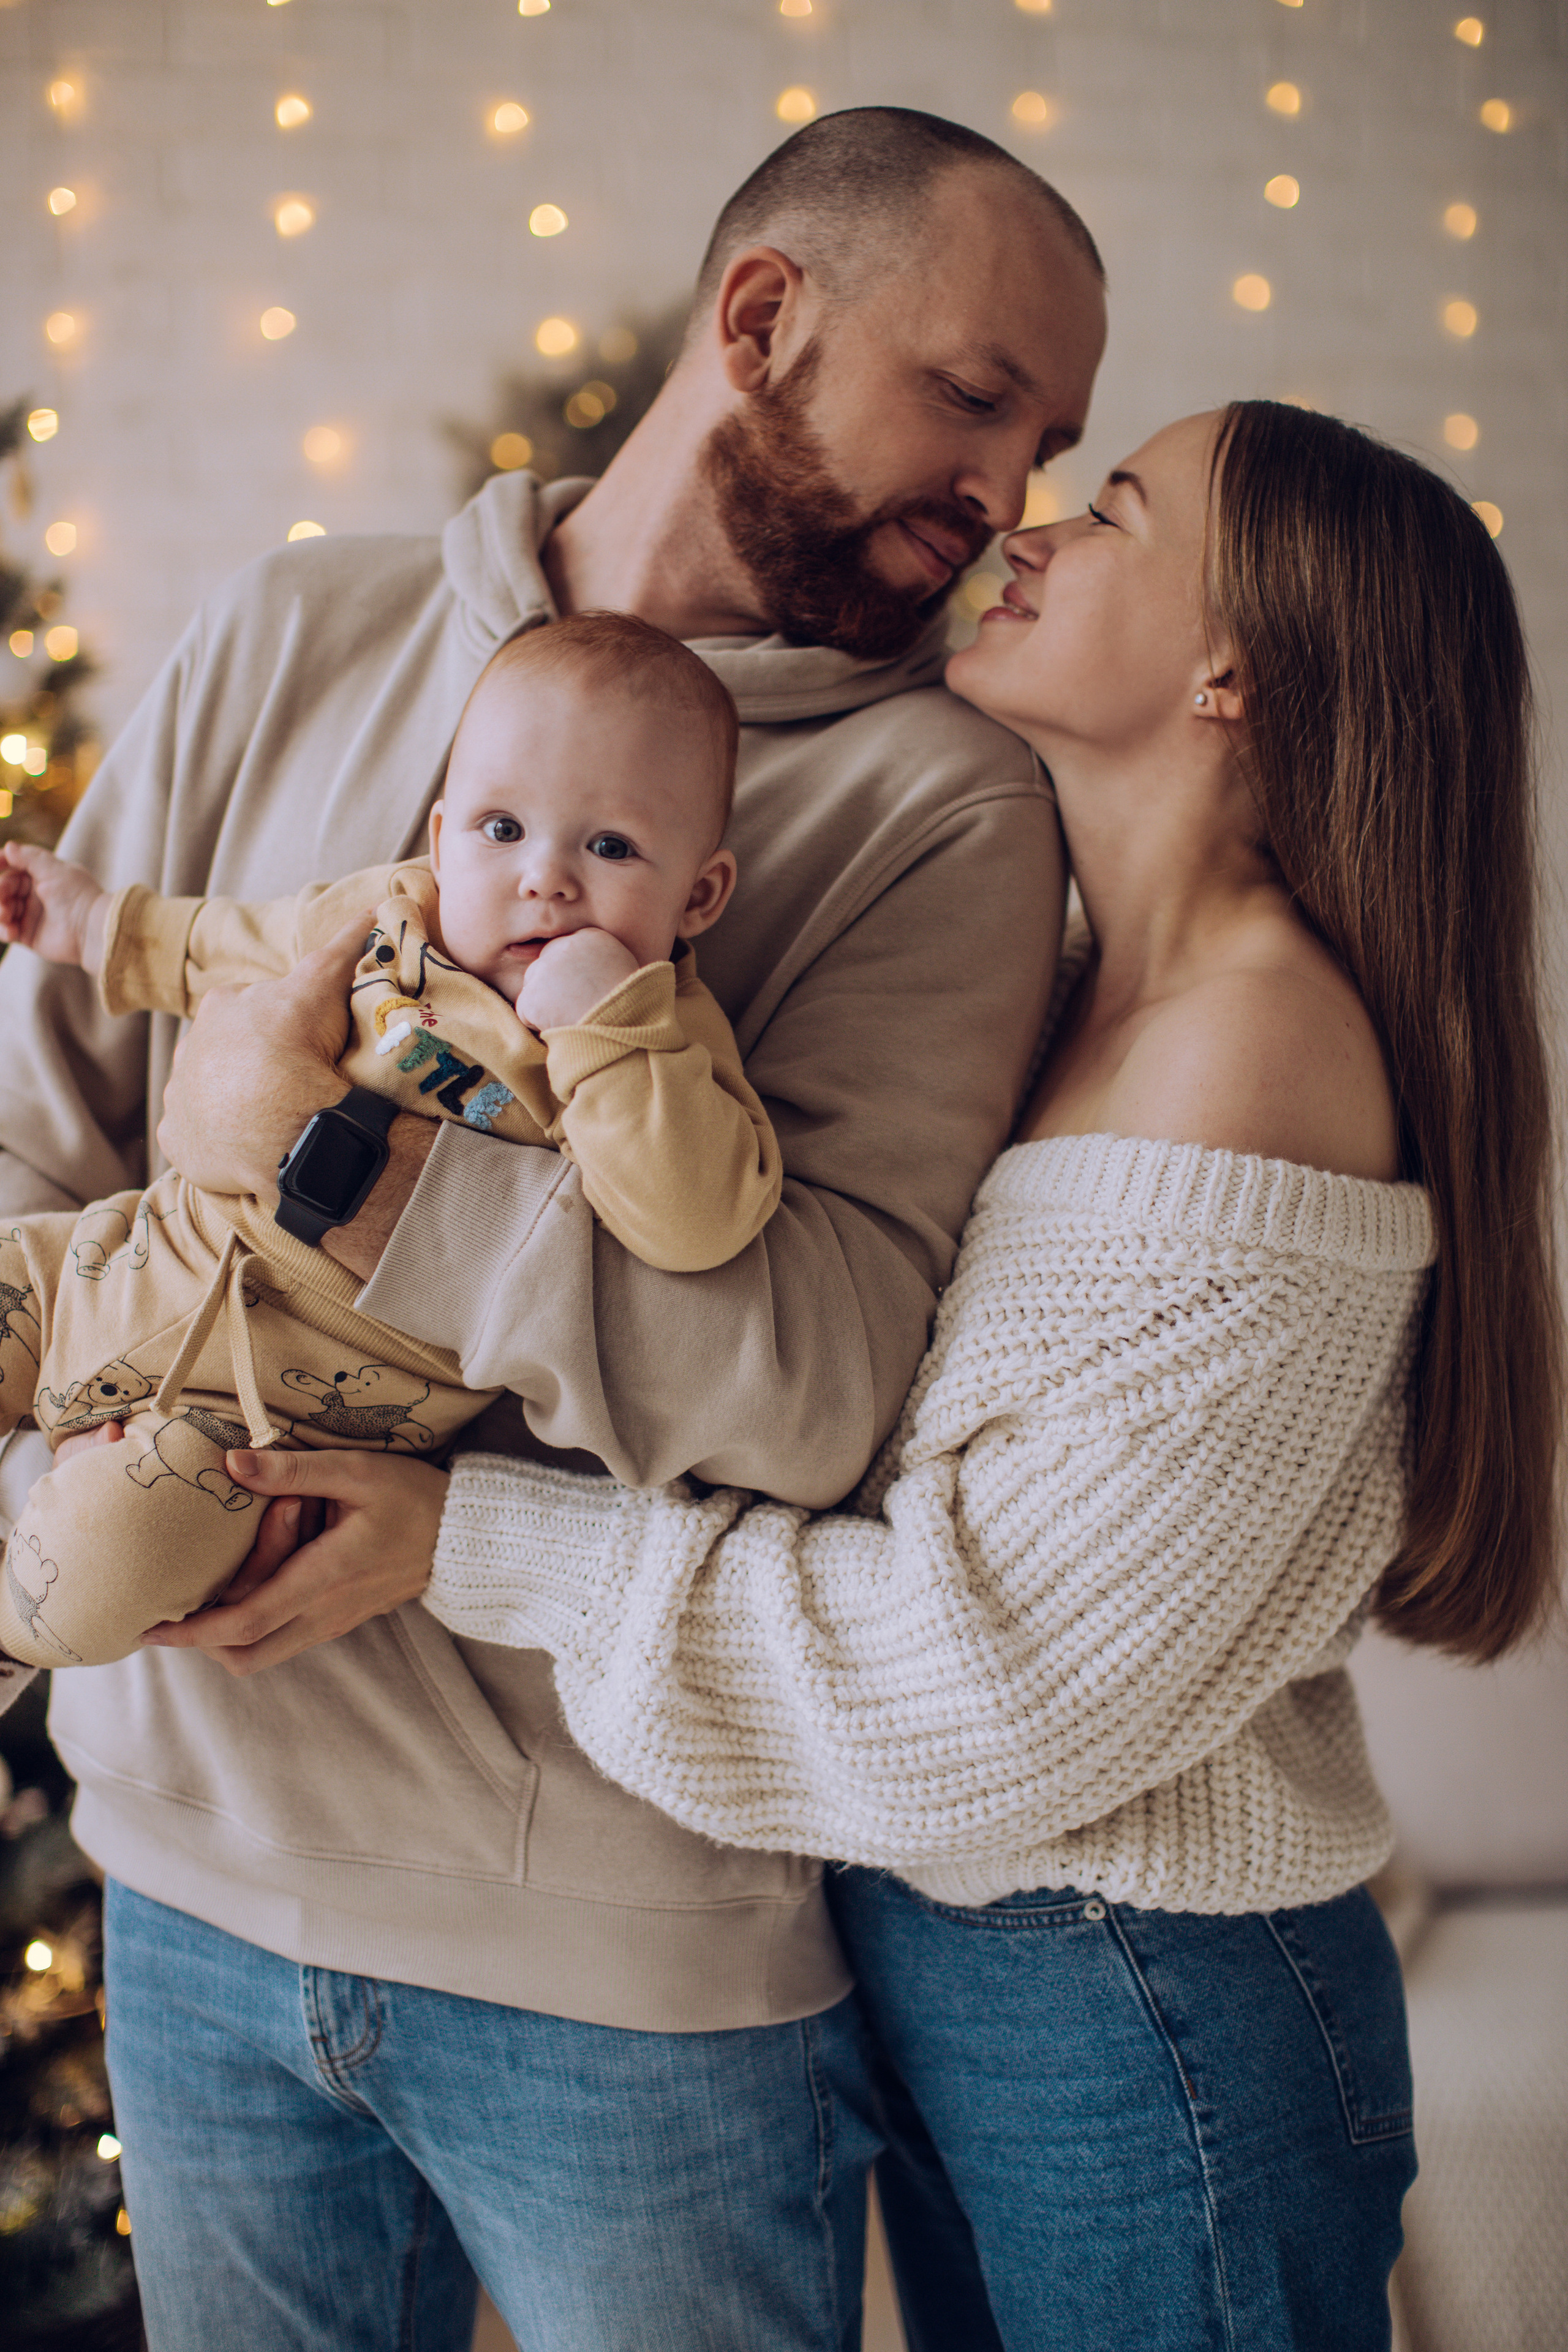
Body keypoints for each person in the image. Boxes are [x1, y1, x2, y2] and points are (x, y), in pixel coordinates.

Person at [0, 110, 1107, 2352]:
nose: (1011, 501)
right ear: (765, 320)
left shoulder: (943, 812)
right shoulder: (298, 628)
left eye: (1057, 445)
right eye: (978, 401)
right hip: (188, 1906)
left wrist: (329, 1174)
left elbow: (813, 1393)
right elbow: (34, 1143)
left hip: (622, 1985)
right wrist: (61, 1505)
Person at [418, 402, 1563, 2349]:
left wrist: (454, 1542)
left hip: (1150, 2005)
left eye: (1110, 511)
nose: (1024, 533)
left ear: (1236, 670)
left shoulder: (1258, 1053)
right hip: (995, 1964)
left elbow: (992, 1674)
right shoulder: (1073, 986)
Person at [0, 613, 778, 1668]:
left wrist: (610, 1027)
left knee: (116, 1555)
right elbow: (233, 947)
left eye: (610, 847)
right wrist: (93, 924)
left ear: (701, 894)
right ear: (444, 831)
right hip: (119, 1262)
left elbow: (694, 1224)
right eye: (501, 830)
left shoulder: (661, 1046)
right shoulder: (387, 916)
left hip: (268, 1427)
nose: (543, 879)